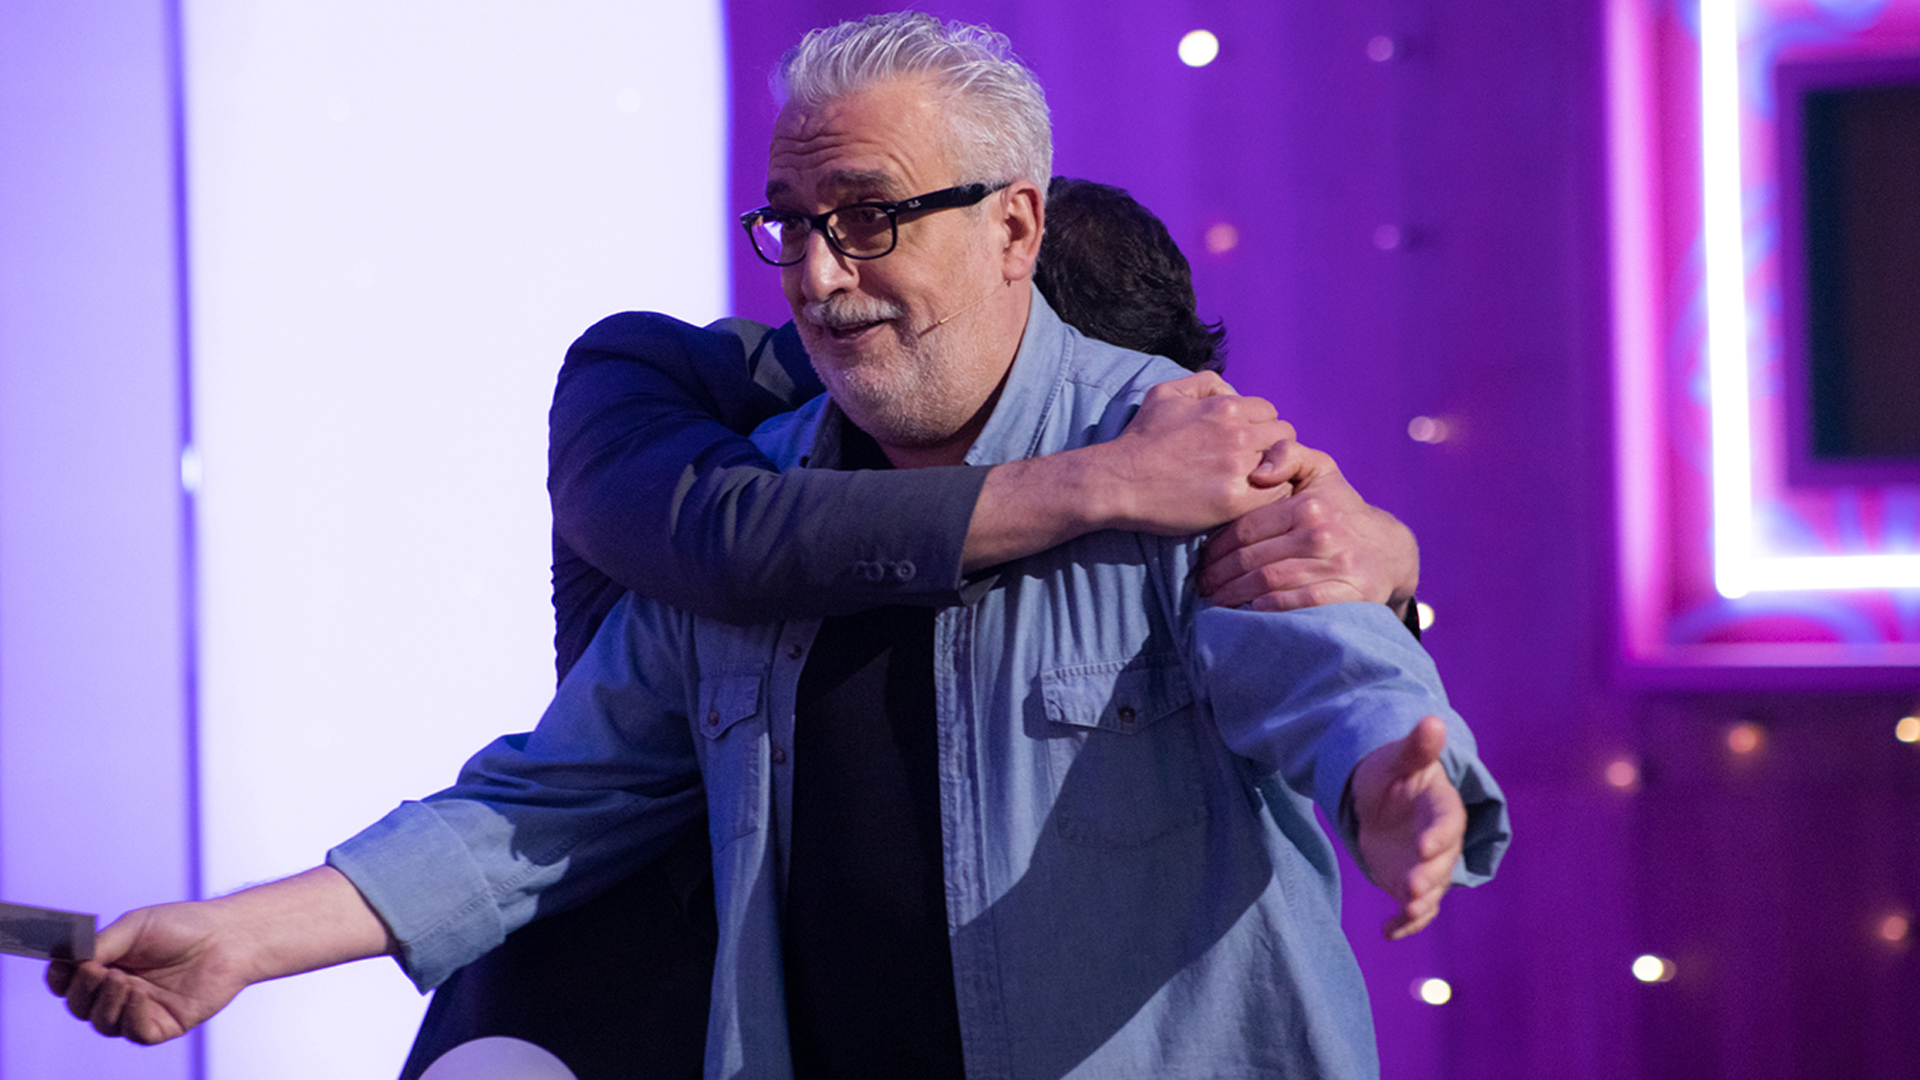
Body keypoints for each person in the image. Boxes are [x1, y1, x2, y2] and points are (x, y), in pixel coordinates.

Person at [52, 14, 1507, 1079]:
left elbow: (1322, 654)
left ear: (1015, 228)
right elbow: (547, 799)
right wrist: (245, 938)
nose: (818, 275)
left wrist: (1392, 782)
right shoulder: (735, 474)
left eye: (869, 221)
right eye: (791, 225)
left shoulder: (1189, 445)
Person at [403, 176, 1421, 1079]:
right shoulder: (681, 388)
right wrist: (1100, 482)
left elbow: (1297, 664)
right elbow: (736, 541)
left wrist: (1383, 573)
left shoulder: (1137, 488)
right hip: (602, 988)